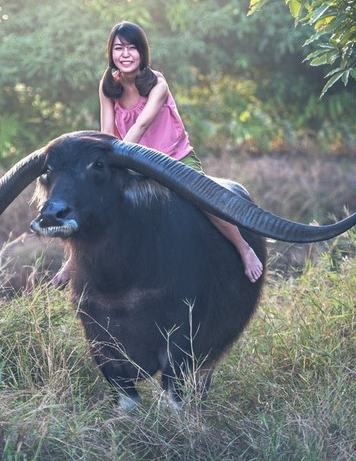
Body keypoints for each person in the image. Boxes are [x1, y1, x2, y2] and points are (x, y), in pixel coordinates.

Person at [50, 21, 264, 287]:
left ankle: (244, 249)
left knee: (206, 199)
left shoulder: (157, 84)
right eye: (119, 48)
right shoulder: (107, 86)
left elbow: (140, 125)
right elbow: (106, 133)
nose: (125, 54)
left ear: (142, 53)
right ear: (111, 54)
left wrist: (116, 158)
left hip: (172, 158)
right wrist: (104, 165)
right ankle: (72, 262)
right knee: (96, 201)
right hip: (132, 161)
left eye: (132, 48)